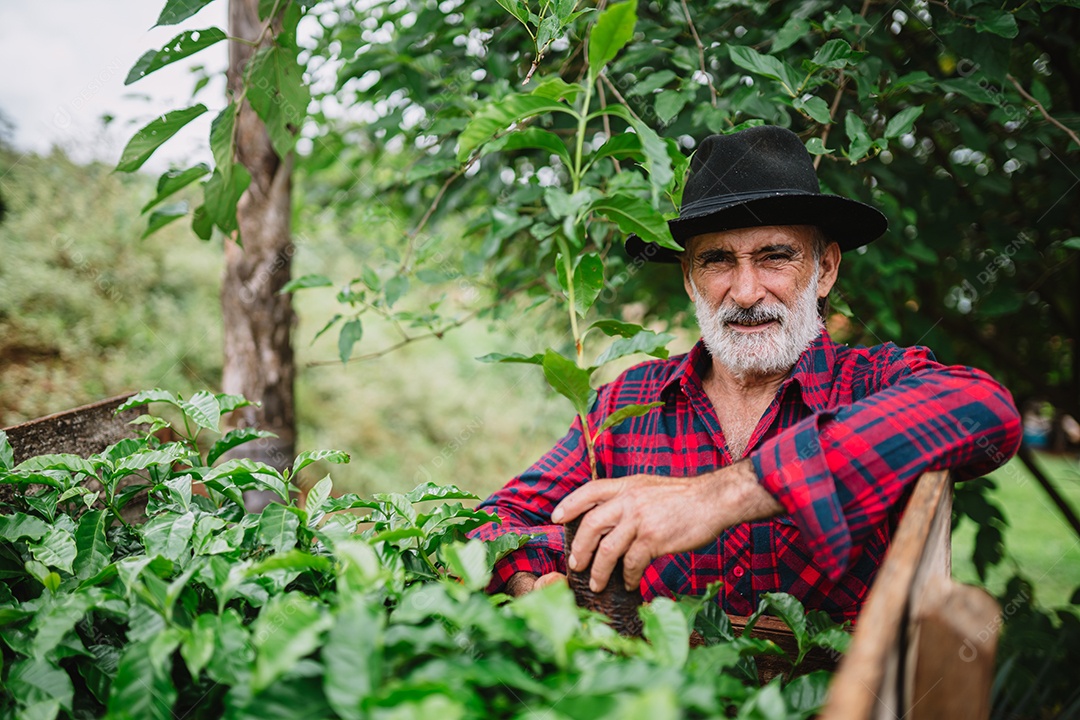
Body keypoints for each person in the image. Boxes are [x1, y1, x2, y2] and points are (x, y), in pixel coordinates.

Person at [472, 125, 1022, 622]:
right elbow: (495, 519)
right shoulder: (626, 401)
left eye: (775, 257)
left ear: (824, 269)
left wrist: (720, 496)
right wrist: (530, 584)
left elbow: (986, 411)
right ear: (690, 280)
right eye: (717, 261)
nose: (746, 291)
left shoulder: (871, 384)